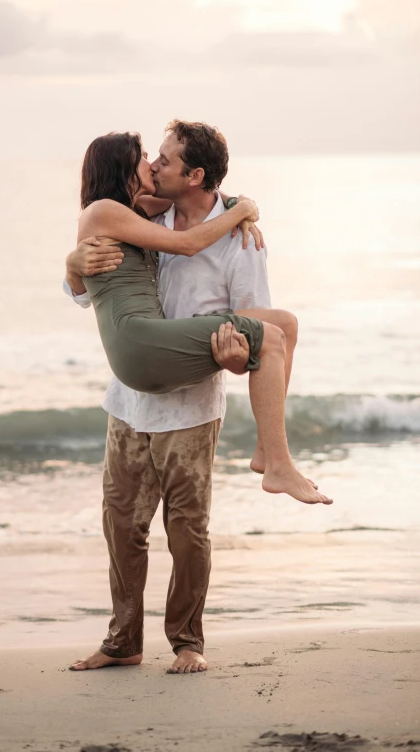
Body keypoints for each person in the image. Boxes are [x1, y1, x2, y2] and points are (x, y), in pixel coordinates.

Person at [65, 121, 332, 675]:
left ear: (195, 175)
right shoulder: (144, 213)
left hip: (190, 399)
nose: (155, 167)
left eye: (164, 160)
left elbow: (249, 333)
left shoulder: (241, 241)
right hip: (129, 401)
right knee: (121, 524)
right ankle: (122, 641)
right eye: (150, 158)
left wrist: (238, 359)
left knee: (187, 528)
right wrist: (71, 267)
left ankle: (188, 640)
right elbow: (86, 287)